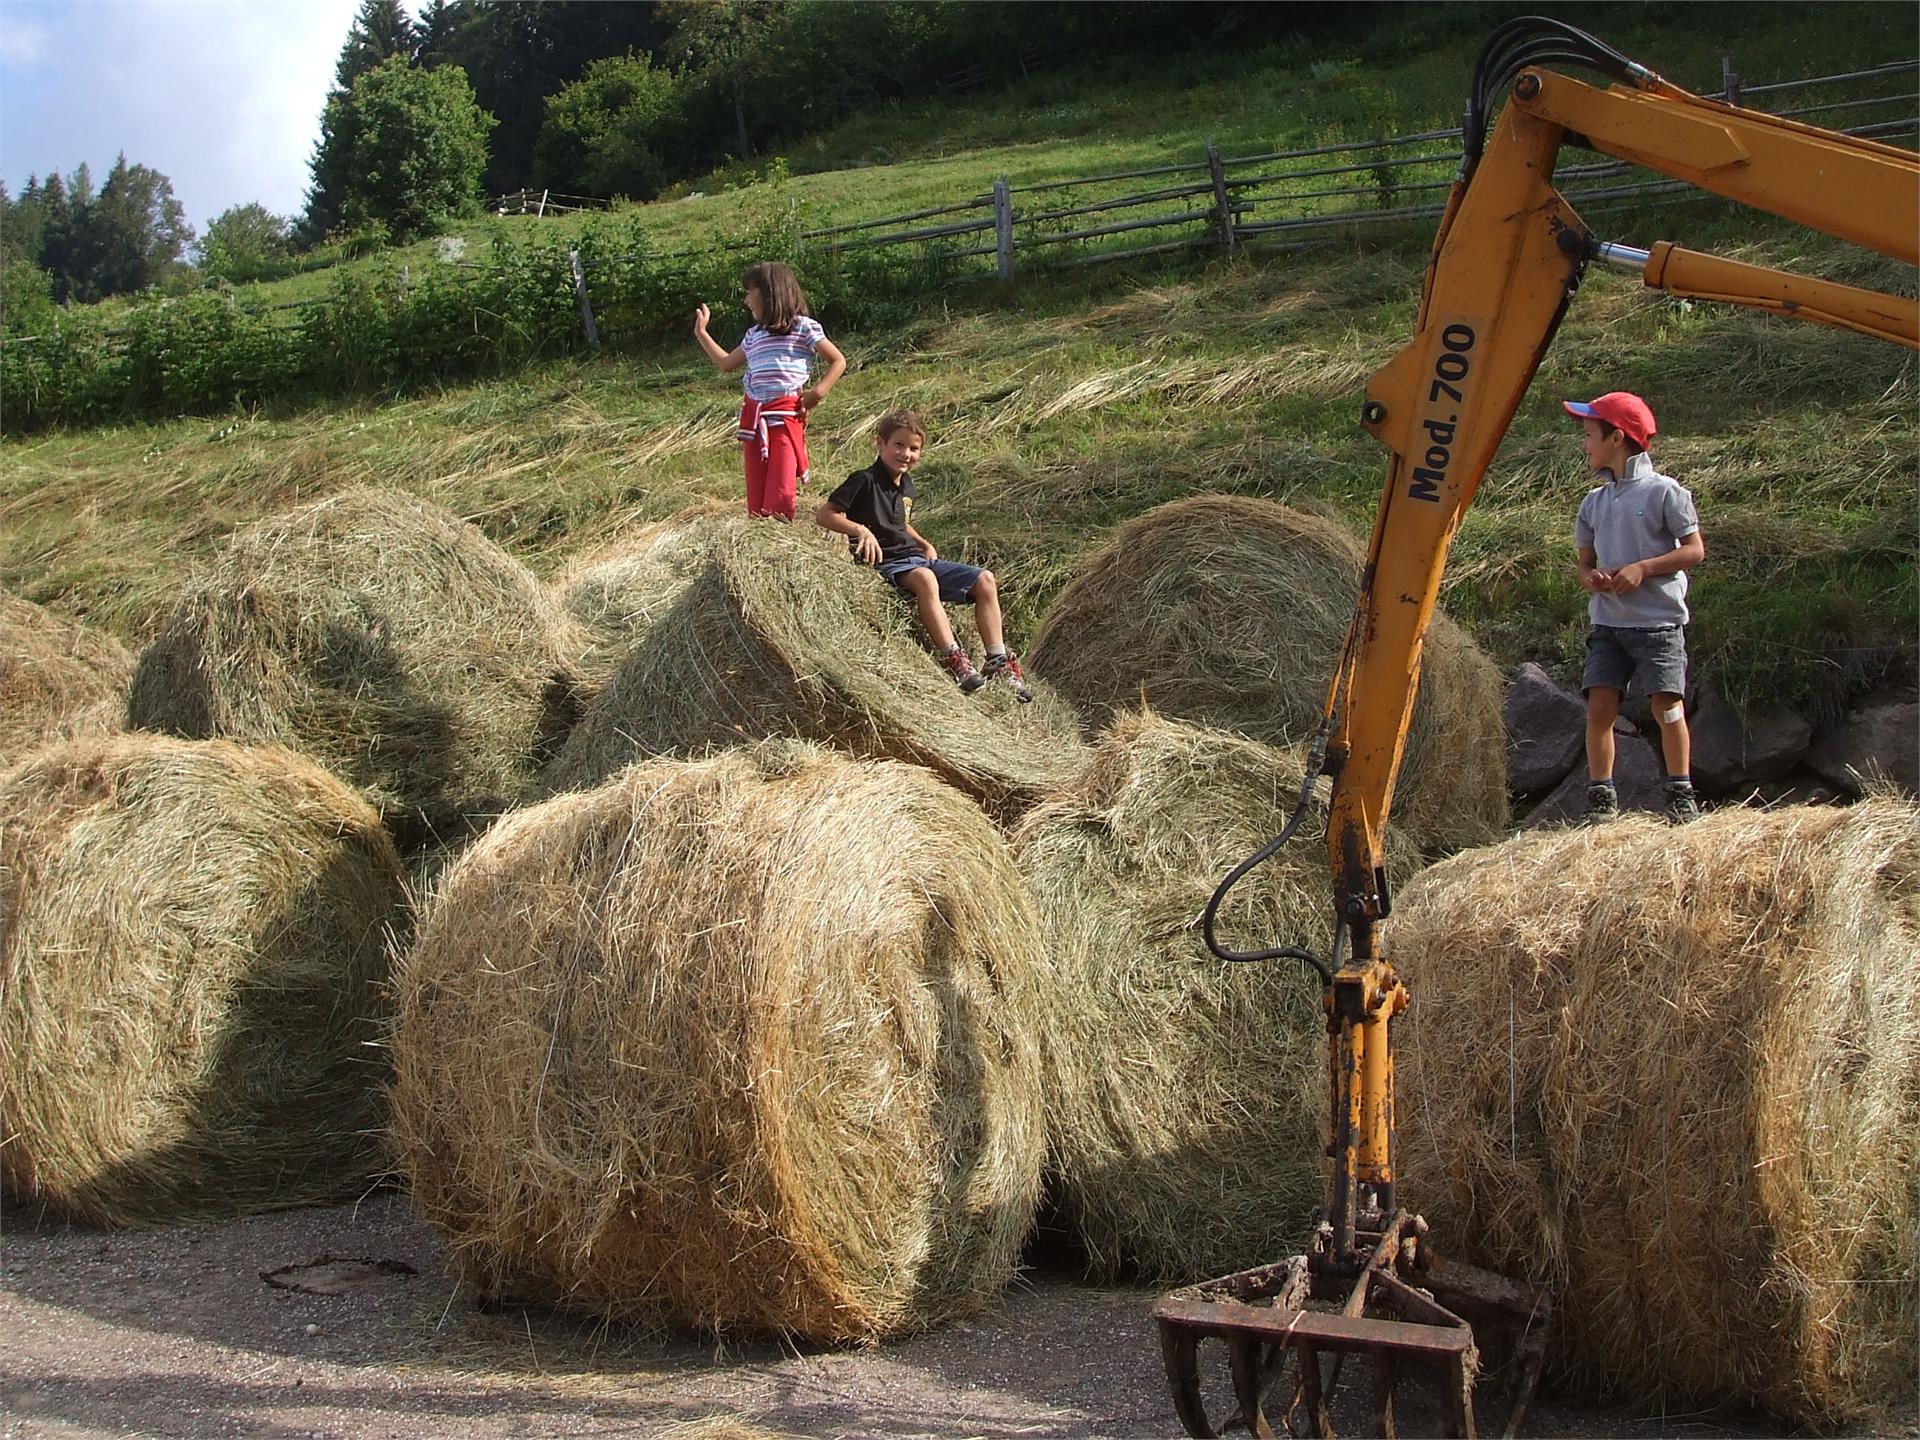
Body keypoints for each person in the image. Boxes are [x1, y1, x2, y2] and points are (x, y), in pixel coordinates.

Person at [816, 408, 1033, 701]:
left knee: (985, 580)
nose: (906, 453)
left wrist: (921, 541)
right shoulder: (863, 480)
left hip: (913, 557)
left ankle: (997, 660)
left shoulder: (906, 485)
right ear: (880, 443)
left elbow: (901, 522)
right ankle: (955, 659)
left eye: (914, 448)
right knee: (926, 579)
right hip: (885, 563)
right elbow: (826, 515)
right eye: (899, 445)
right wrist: (860, 530)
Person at [1566, 390, 1706, 823]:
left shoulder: (1666, 493)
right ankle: (1601, 799)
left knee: (1667, 706)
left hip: (1659, 625)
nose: (1584, 443)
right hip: (1608, 625)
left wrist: (1643, 569)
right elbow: (1584, 565)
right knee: (1600, 707)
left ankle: (1681, 795)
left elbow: (1694, 551)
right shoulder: (1593, 502)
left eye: (1589, 433)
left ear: (1617, 437)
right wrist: (1592, 579)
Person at [693, 261, 847, 521]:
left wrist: (816, 395)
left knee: (780, 492)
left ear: (769, 292)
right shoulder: (753, 335)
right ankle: (759, 536)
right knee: (757, 493)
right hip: (754, 420)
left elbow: (838, 361)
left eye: (749, 292)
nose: (745, 300)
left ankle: (778, 535)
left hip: (785, 418)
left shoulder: (803, 327)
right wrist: (701, 332)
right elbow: (726, 363)